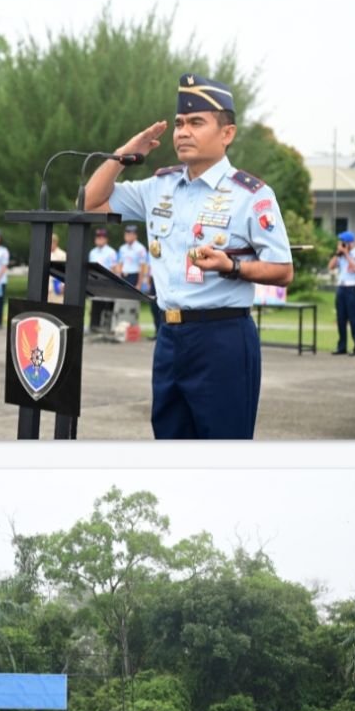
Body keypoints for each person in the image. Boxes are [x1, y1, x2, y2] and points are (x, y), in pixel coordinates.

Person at [85, 72, 293, 440]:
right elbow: (90, 202)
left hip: (223, 338)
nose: (183, 132)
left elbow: (282, 270)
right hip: (169, 336)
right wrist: (123, 155)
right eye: (180, 123)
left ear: (227, 133)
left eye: (196, 123)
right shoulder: (159, 187)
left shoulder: (252, 195)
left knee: (223, 452)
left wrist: (232, 266)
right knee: (170, 446)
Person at [328, 230, 355, 356]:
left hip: (353, 289)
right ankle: (342, 346)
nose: (342, 245)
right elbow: (331, 266)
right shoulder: (341, 256)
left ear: (351, 243)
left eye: (344, 243)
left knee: (354, 319)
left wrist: (347, 254)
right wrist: (338, 254)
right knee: (341, 318)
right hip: (341, 288)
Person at [115, 224, 148, 289]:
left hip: (134, 276)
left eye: (129, 234)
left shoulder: (140, 249)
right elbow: (120, 264)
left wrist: (139, 284)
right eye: (126, 234)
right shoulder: (122, 248)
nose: (127, 236)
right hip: (123, 275)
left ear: (135, 236)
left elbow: (142, 267)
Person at [49, 232, 67, 303]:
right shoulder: (45, 254)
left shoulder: (62, 255)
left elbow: (65, 271)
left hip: (57, 286)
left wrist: (63, 285)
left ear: (55, 242)